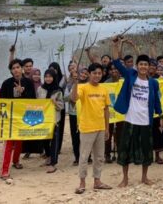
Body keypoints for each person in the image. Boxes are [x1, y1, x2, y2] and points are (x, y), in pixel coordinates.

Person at [112, 38, 163, 187]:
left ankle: (144, 177)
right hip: (130, 119)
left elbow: (157, 102)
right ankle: (125, 178)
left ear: (149, 67)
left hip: (146, 121)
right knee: (125, 150)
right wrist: (115, 45)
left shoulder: (153, 83)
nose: (143, 67)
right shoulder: (130, 76)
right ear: (137, 66)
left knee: (147, 150)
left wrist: (160, 116)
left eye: (145, 64)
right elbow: (116, 62)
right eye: (140, 64)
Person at [71, 63, 113, 194]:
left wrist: (107, 128)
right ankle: (82, 183)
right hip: (87, 128)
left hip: (100, 127)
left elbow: (106, 109)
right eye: (94, 73)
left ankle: (97, 181)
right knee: (84, 157)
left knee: (99, 156)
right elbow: (73, 98)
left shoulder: (103, 89)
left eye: (99, 73)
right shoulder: (83, 87)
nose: (97, 75)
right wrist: (75, 82)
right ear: (89, 74)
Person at [0, 49, 36, 180]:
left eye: (18, 67)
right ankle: (4, 170)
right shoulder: (6, 83)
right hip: (10, 118)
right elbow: (1, 101)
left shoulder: (29, 83)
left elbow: (33, 101)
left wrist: (23, 92)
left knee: (19, 141)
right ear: (11, 71)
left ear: (22, 69)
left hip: (23, 117)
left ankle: (16, 161)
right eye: (13, 68)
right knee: (9, 143)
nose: (16, 70)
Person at [37, 69, 64, 173]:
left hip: (54, 119)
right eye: (46, 76)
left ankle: (53, 163)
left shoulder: (58, 90)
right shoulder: (40, 89)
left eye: (50, 77)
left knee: (54, 141)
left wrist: (55, 103)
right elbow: (36, 102)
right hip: (43, 118)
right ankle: (48, 156)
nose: (48, 79)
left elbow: (61, 106)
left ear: (54, 78)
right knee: (44, 138)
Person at [64, 64, 89, 165]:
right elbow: (64, 98)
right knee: (75, 136)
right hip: (73, 114)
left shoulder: (90, 85)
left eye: (86, 73)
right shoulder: (70, 84)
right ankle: (77, 157)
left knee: (86, 136)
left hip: (86, 114)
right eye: (81, 72)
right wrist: (73, 95)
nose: (83, 75)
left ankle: (88, 157)